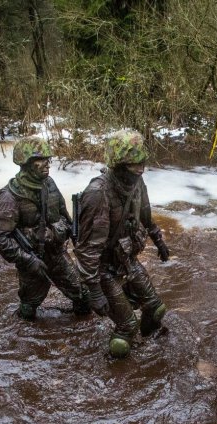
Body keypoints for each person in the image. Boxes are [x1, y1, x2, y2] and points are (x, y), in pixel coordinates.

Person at [74, 129, 171, 358]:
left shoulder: (137, 183)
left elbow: (146, 215)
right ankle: (114, 373)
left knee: (156, 309)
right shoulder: (98, 193)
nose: (140, 169)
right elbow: (87, 249)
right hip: (103, 269)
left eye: (142, 163)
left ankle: (152, 349)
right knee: (127, 328)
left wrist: (159, 240)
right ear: (118, 164)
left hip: (127, 259)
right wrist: (94, 289)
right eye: (133, 164)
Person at [0, 136, 90, 320]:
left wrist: (62, 232)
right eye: (40, 160)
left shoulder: (49, 185)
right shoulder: (10, 197)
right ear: (25, 163)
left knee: (84, 297)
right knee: (29, 308)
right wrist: (27, 260)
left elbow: (64, 217)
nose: (47, 164)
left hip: (57, 255)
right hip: (31, 260)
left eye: (47, 159)